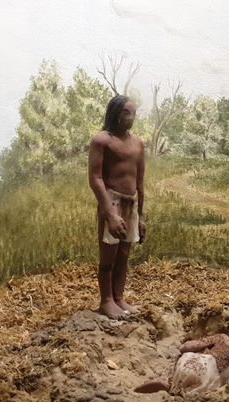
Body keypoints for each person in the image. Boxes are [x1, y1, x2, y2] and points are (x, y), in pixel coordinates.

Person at [88, 95, 146, 320]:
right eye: (127, 112)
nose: (132, 117)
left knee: (123, 253)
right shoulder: (102, 141)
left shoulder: (138, 144)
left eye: (134, 113)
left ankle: (118, 297)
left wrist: (140, 215)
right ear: (117, 114)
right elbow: (95, 178)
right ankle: (106, 301)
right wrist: (110, 214)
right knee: (108, 255)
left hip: (131, 203)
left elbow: (140, 182)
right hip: (111, 201)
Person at [134, 334, 229, 395]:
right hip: (212, 379)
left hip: (199, 363)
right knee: (196, 391)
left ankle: (169, 384)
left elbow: (186, 347)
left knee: (175, 380)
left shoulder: (221, 337)